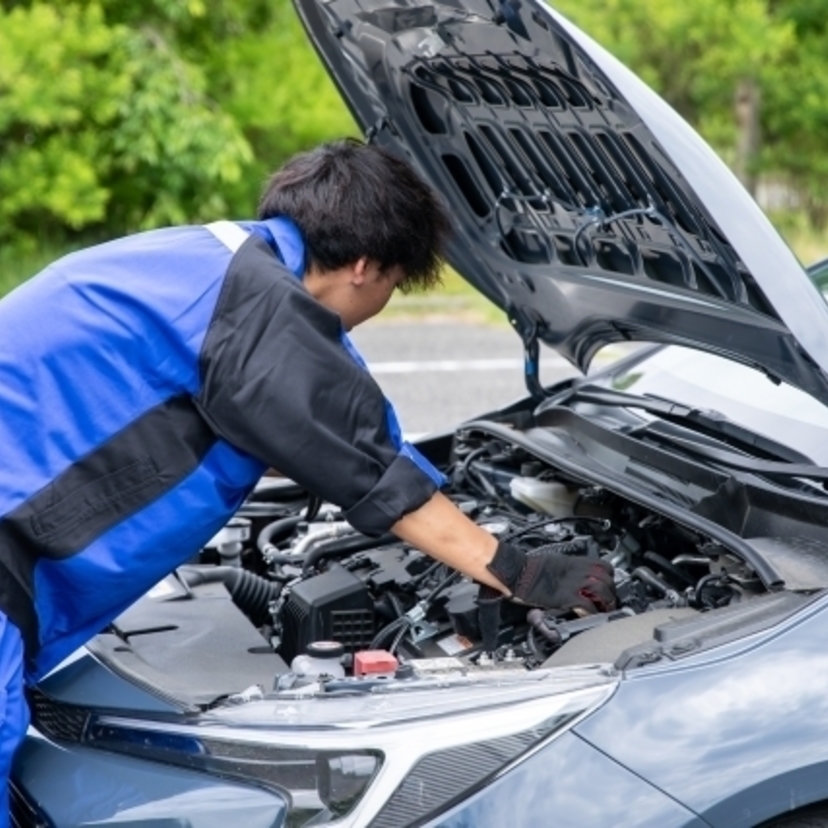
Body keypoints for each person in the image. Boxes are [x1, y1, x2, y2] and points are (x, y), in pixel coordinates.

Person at [0, 139, 614, 819]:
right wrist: (523, 573)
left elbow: (339, 411)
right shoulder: (259, 309)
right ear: (363, 267)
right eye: (394, 284)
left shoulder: (216, 261)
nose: (384, 300)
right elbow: (377, 470)